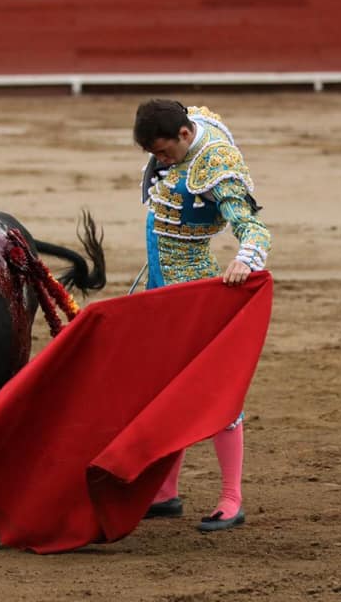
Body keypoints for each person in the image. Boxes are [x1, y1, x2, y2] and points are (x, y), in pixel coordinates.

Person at [133, 99, 271, 532]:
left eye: (164, 152)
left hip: (192, 292)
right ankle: (165, 493)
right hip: (160, 286)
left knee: (215, 393)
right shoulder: (186, 129)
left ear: (184, 135)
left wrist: (245, 259)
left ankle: (231, 498)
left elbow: (253, 228)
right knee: (162, 388)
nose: (161, 161)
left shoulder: (216, 163)